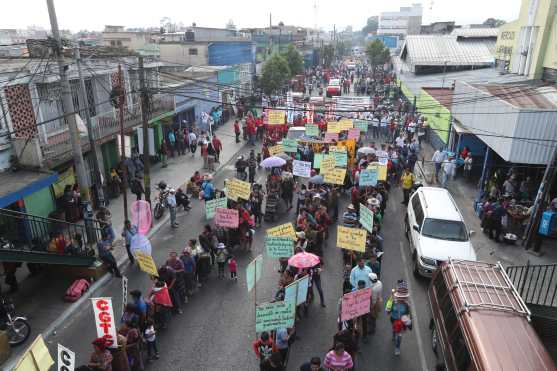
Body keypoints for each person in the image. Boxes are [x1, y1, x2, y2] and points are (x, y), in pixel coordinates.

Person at [386, 279, 412, 356]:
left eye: (404, 297)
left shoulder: (407, 304)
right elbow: (387, 311)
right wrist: (390, 302)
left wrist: (409, 321)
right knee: (394, 329)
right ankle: (394, 333)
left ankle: (397, 347)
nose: (402, 298)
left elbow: (409, 314)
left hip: (402, 322)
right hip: (393, 319)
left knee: (399, 336)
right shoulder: (392, 301)